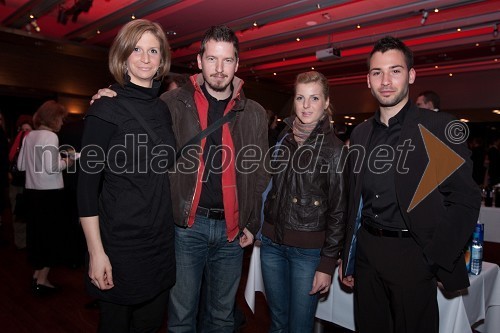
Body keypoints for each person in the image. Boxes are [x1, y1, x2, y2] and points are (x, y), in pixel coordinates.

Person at [91, 25, 268, 332]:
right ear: (199, 61)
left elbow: (260, 172)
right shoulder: (170, 104)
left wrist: (253, 223)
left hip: (233, 231)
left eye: (227, 61)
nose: (219, 68)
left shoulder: (254, 113)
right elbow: (134, 105)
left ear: (237, 64)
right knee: (180, 317)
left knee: (222, 318)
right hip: (187, 227)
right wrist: (106, 95)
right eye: (212, 59)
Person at [340, 36, 481, 333]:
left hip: (413, 256)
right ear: (368, 80)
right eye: (377, 72)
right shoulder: (362, 133)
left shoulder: (438, 127)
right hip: (368, 253)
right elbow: (352, 200)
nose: (386, 80)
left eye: (395, 70)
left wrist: (437, 258)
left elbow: (465, 199)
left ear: (411, 75)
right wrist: (348, 256)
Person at [77, 19, 176, 332]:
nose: (145, 58)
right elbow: (86, 188)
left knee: (149, 325)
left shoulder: (162, 110)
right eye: (137, 49)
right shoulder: (105, 108)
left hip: (160, 242)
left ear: (162, 60)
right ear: (122, 56)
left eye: (153, 50)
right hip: (119, 244)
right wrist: (96, 253)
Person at [260, 71, 347, 333]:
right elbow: (271, 187)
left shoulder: (335, 150)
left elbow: (339, 211)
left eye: (314, 98)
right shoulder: (284, 140)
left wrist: (327, 263)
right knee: (277, 323)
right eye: (300, 98)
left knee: (299, 327)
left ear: (326, 102)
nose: (306, 105)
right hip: (272, 245)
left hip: (307, 253)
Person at [17, 100, 73, 295]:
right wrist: (69, 160)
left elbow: (22, 166)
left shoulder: (29, 136)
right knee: (51, 238)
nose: (62, 122)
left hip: (32, 194)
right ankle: (42, 280)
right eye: (61, 118)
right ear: (54, 118)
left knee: (38, 237)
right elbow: (53, 167)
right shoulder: (50, 137)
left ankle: (36, 275)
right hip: (49, 195)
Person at [9, 115, 33, 249]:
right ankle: (21, 242)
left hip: (24, 184)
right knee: (19, 215)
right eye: (23, 129)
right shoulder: (20, 140)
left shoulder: (19, 140)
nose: (25, 132)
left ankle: (22, 243)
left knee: (20, 215)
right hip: (22, 183)